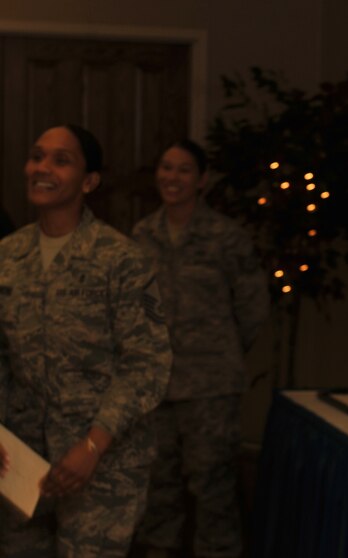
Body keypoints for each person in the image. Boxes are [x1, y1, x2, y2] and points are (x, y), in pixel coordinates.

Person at [0, 124, 172, 557]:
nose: (42, 168)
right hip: (21, 463)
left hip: (103, 466)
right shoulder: (6, 256)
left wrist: (93, 445)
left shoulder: (123, 260)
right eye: (37, 156)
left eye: (61, 160)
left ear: (89, 181)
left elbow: (147, 361)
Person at [132, 140, 269, 558]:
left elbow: (252, 307)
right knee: (159, 491)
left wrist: (219, 349)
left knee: (213, 490)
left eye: (184, 170)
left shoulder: (225, 236)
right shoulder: (141, 234)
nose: (172, 178)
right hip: (156, 386)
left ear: (202, 180)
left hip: (210, 387)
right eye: (166, 167)